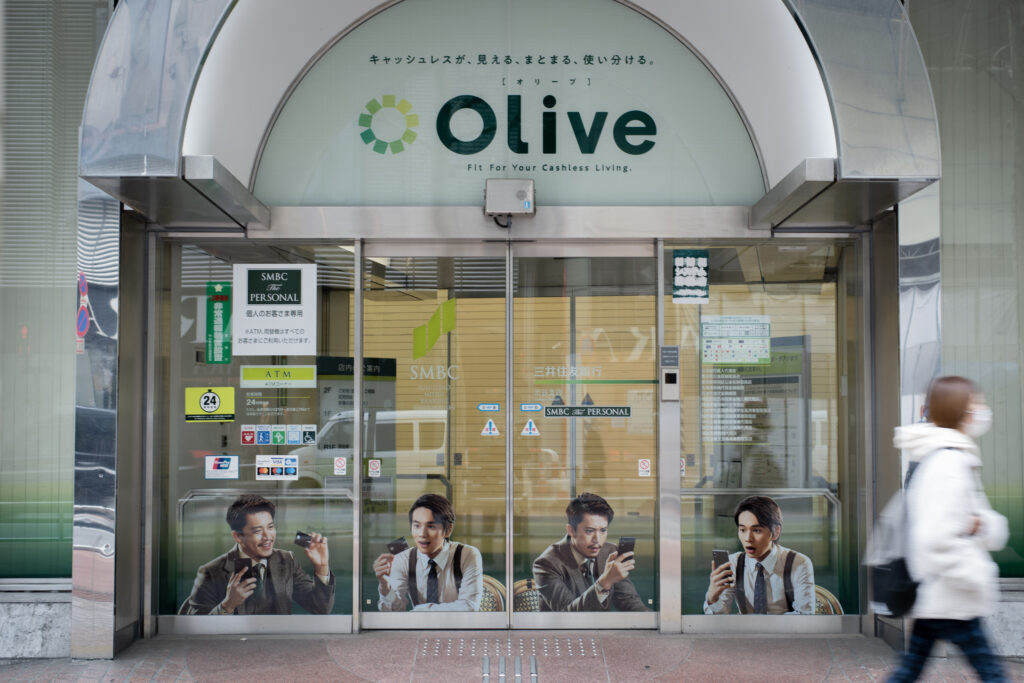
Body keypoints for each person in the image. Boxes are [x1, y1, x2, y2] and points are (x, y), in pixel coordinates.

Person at [887, 376, 1008, 682]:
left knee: (909, 671)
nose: (982, 410)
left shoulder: (947, 456)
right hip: (952, 593)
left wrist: (981, 523)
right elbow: (934, 537)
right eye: (976, 403)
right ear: (961, 410)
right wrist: (972, 575)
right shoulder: (948, 462)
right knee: (992, 673)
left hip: (942, 594)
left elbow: (962, 523)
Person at [179, 494, 335, 615]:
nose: (268, 537)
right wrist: (228, 605)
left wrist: (322, 567)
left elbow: (320, 608)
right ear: (238, 536)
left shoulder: (287, 560)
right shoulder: (210, 572)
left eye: (271, 527)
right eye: (257, 531)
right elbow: (198, 627)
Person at [532, 492, 649, 612]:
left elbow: (629, 600)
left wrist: (648, 617)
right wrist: (604, 583)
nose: (597, 539)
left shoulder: (609, 552)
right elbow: (567, 613)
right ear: (571, 530)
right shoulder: (546, 564)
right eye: (589, 531)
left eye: (603, 530)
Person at [704, 495, 815, 614]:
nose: (748, 538)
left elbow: (804, 615)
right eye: (742, 530)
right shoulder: (733, 563)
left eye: (756, 530)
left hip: (784, 627)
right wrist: (713, 597)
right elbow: (720, 618)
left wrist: (763, 623)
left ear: (776, 532)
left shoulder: (799, 563)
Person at [374, 493, 483, 611]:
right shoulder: (403, 559)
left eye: (431, 526)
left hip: (457, 623)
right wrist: (385, 587)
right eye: (417, 526)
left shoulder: (467, 555)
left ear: (448, 530)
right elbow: (395, 610)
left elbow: (469, 607)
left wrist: (421, 610)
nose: (422, 534)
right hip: (419, 623)